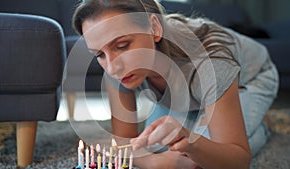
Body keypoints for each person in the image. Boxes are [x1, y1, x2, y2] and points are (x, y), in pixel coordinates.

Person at [72, 0, 279, 168]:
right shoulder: (115, 66)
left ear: (154, 28)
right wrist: (153, 161)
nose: (112, 68)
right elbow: (126, 141)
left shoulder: (210, 64)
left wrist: (194, 144)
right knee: (159, 146)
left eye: (123, 46)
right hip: (186, 90)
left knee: (201, 158)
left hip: (253, 77)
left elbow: (239, 161)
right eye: (99, 54)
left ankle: (260, 123)